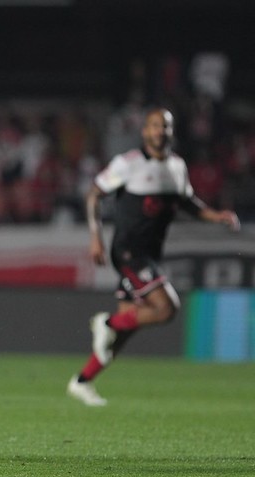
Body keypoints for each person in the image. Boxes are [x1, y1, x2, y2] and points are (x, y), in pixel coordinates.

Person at [67, 108, 240, 406]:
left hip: (150, 254)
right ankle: (106, 323)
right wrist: (95, 236)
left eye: (166, 126)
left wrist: (217, 216)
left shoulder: (177, 166)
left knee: (127, 327)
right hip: (128, 252)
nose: (160, 131)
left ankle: (82, 381)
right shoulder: (128, 163)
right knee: (166, 307)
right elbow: (94, 194)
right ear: (145, 131)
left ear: (172, 132)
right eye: (155, 126)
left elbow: (188, 203)